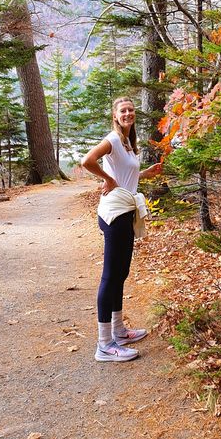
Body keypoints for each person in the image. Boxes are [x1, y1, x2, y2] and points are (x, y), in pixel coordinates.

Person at [81, 96, 162, 362]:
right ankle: (104, 345)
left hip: (126, 210)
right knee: (110, 276)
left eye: (131, 110)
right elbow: (87, 161)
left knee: (121, 273)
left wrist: (146, 173)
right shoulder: (114, 139)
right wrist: (108, 179)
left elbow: (127, 175)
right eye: (122, 110)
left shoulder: (127, 142)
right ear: (115, 115)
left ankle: (118, 331)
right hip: (114, 213)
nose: (128, 113)